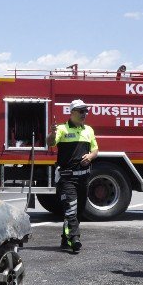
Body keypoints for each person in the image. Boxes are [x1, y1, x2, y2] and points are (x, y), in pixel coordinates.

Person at [49, 99, 98, 254]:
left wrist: (90, 156)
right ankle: (74, 239)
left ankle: (65, 237)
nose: (85, 114)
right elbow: (50, 142)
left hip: (84, 177)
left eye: (86, 111)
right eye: (81, 111)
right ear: (72, 112)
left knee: (78, 211)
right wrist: (52, 133)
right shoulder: (62, 129)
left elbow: (95, 150)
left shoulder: (89, 130)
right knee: (71, 209)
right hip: (67, 177)